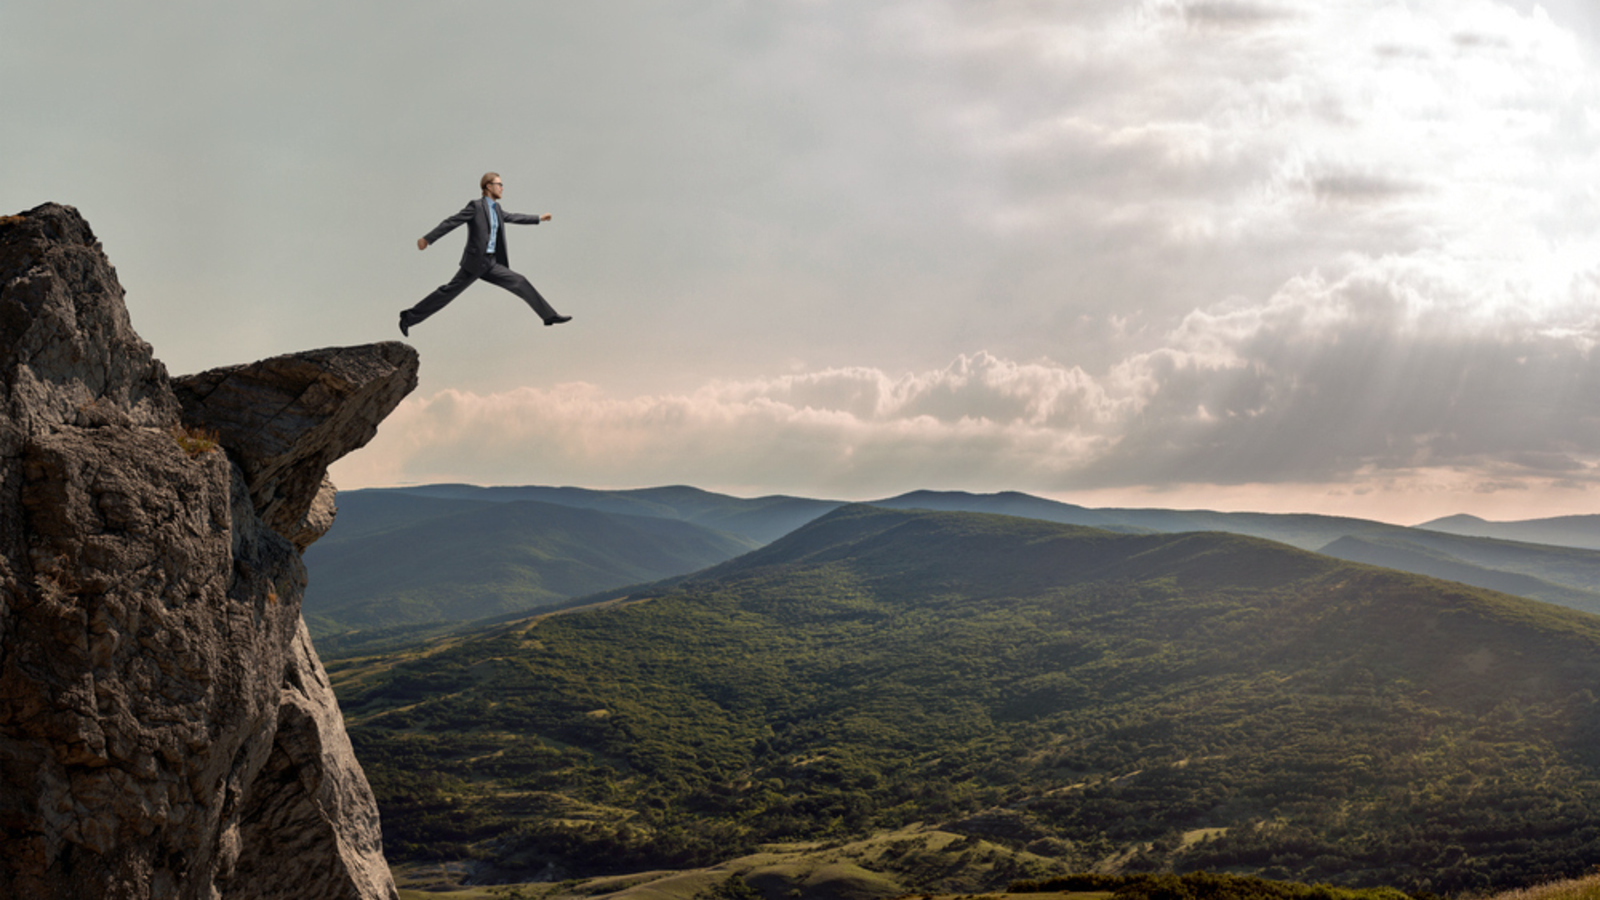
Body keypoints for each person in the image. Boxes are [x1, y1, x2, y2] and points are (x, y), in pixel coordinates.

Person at [400, 172, 572, 336]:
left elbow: (513, 217)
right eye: (500, 184)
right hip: (475, 263)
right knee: (447, 293)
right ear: (488, 186)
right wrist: (427, 239)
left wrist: (538, 218)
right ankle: (408, 317)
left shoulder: (497, 209)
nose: (502, 188)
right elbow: (451, 222)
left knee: (520, 281)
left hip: (491, 263)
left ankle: (548, 316)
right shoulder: (475, 206)